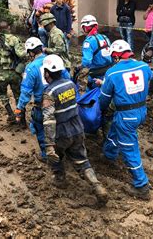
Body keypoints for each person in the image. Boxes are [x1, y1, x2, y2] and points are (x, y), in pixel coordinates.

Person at [41, 55, 108, 204]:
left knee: (56, 158)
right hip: (77, 127)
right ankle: (97, 185)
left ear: (47, 73)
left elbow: (49, 120)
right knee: (82, 160)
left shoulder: (49, 93)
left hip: (61, 132)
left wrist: (49, 144)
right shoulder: (70, 84)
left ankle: (60, 180)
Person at [99, 40, 152, 200]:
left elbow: (104, 99)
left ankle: (141, 185)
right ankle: (109, 155)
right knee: (116, 129)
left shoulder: (112, 73)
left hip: (126, 115)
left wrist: (101, 110)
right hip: (141, 110)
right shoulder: (144, 67)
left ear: (115, 56)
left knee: (130, 148)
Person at [15, 38, 70, 160]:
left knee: (41, 129)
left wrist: (19, 109)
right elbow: (67, 79)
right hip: (61, 102)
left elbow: (25, 91)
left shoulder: (31, 68)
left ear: (31, 52)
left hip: (43, 106)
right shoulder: (54, 61)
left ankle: (46, 155)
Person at [78, 15, 113, 89]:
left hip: (96, 74)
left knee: (90, 93)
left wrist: (79, 67)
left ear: (85, 27)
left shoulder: (88, 42)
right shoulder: (105, 37)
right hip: (108, 71)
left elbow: (87, 62)